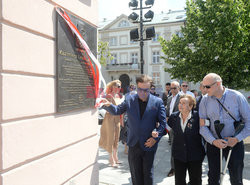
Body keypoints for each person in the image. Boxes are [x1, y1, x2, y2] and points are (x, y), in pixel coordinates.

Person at [100, 74, 166, 185]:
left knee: (148, 174)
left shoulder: (157, 102)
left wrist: (156, 137)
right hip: (133, 143)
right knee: (135, 175)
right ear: (136, 87)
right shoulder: (130, 99)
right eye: (140, 90)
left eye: (146, 90)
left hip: (149, 143)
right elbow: (117, 110)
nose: (143, 93)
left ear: (150, 88)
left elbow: (163, 123)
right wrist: (107, 105)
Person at [199, 73, 250, 185]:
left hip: (234, 143)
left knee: (236, 178)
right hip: (214, 143)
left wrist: (236, 139)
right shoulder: (204, 101)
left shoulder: (237, 97)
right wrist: (213, 141)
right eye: (203, 86)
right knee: (212, 178)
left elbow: (248, 122)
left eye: (207, 86)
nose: (205, 89)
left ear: (218, 84)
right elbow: (202, 126)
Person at [154, 95, 205, 185]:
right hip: (178, 155)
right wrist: (157, 133)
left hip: (195, 155)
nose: (180, 105)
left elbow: (206, 131)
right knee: (179, 181)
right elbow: (166, 129)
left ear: (190, 106)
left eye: (183, 103)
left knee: (195, 180)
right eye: (180, 103)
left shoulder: (198, 117)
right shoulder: (174, 116)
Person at [99, 80, 124, 168]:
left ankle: (115, 157)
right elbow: (105, 107)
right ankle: (111, 158)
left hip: (117, 119)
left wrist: (122, 120)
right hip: (109, 119)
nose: (118, 88)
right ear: (112, 86)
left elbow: (120, 109)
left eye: (120, 86)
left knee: (116, 139)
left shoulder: (118, 96)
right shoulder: (108, 96)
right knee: (111, 138)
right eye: (117, 86)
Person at [165, 81, 181, 177]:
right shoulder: (169, 98)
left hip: (179, 126)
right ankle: (174, 167)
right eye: (171, 88)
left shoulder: (182, 98)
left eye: (175, 88)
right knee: (173, 147)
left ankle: (176, 168)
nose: (173, 90)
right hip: (170, 126)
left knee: (178, 147)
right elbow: (168, 111)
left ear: (179, 88)